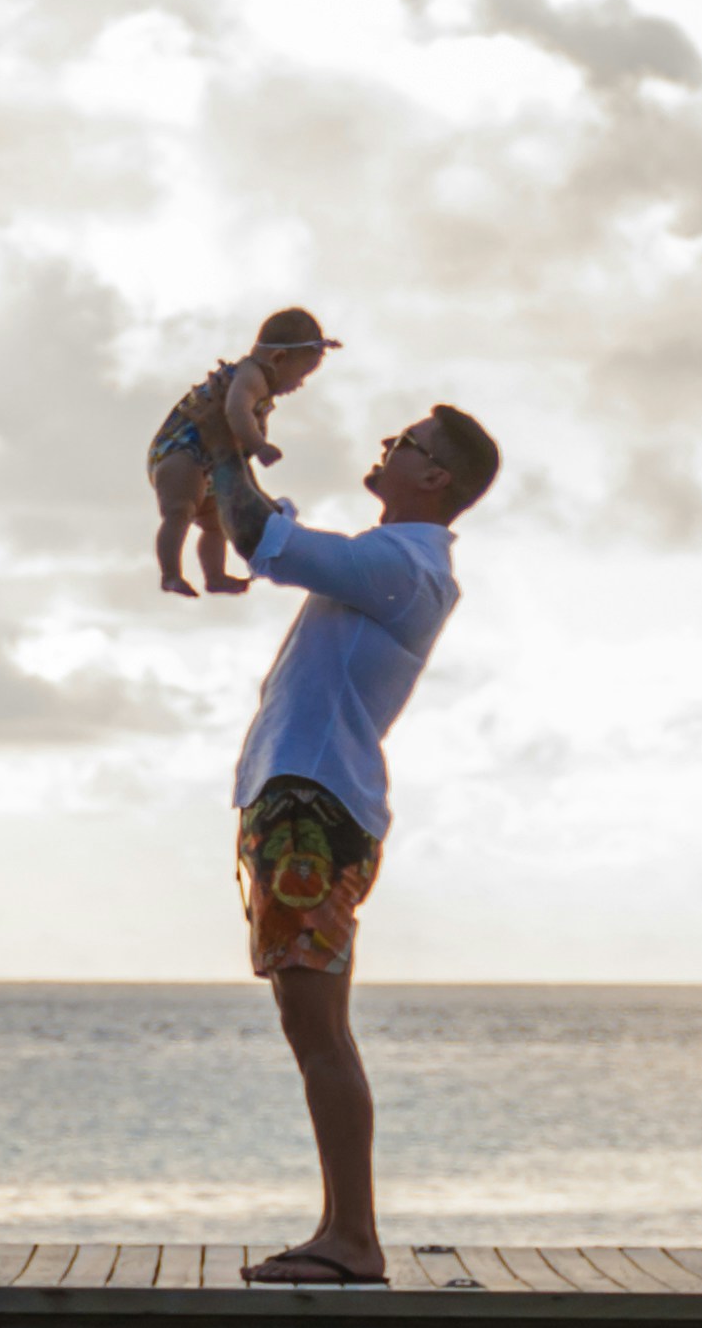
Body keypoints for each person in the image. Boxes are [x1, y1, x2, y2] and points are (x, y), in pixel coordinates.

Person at [198, 395, 500, 1283]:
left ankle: (353, 1240)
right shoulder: (393, 561)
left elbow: (261, 535)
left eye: (407, 441)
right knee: (314, 1027)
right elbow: (270, 535)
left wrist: (221, 446)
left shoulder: (401, 564)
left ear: (435, 476)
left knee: (318, 1028)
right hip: (308, 802)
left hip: (314, 808)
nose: (388, 444)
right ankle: (342, 1231)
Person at [150, 309, 335, 597]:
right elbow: (235, 411)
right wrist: (260, 446)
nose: (300, 385)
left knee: (216, 525)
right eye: (301, 375)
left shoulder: (259, 386)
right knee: (179, 511)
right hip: (181, 451)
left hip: (209, 460)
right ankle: (170, 573)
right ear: (278, 358)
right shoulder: (251, 377)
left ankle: (214, 576)